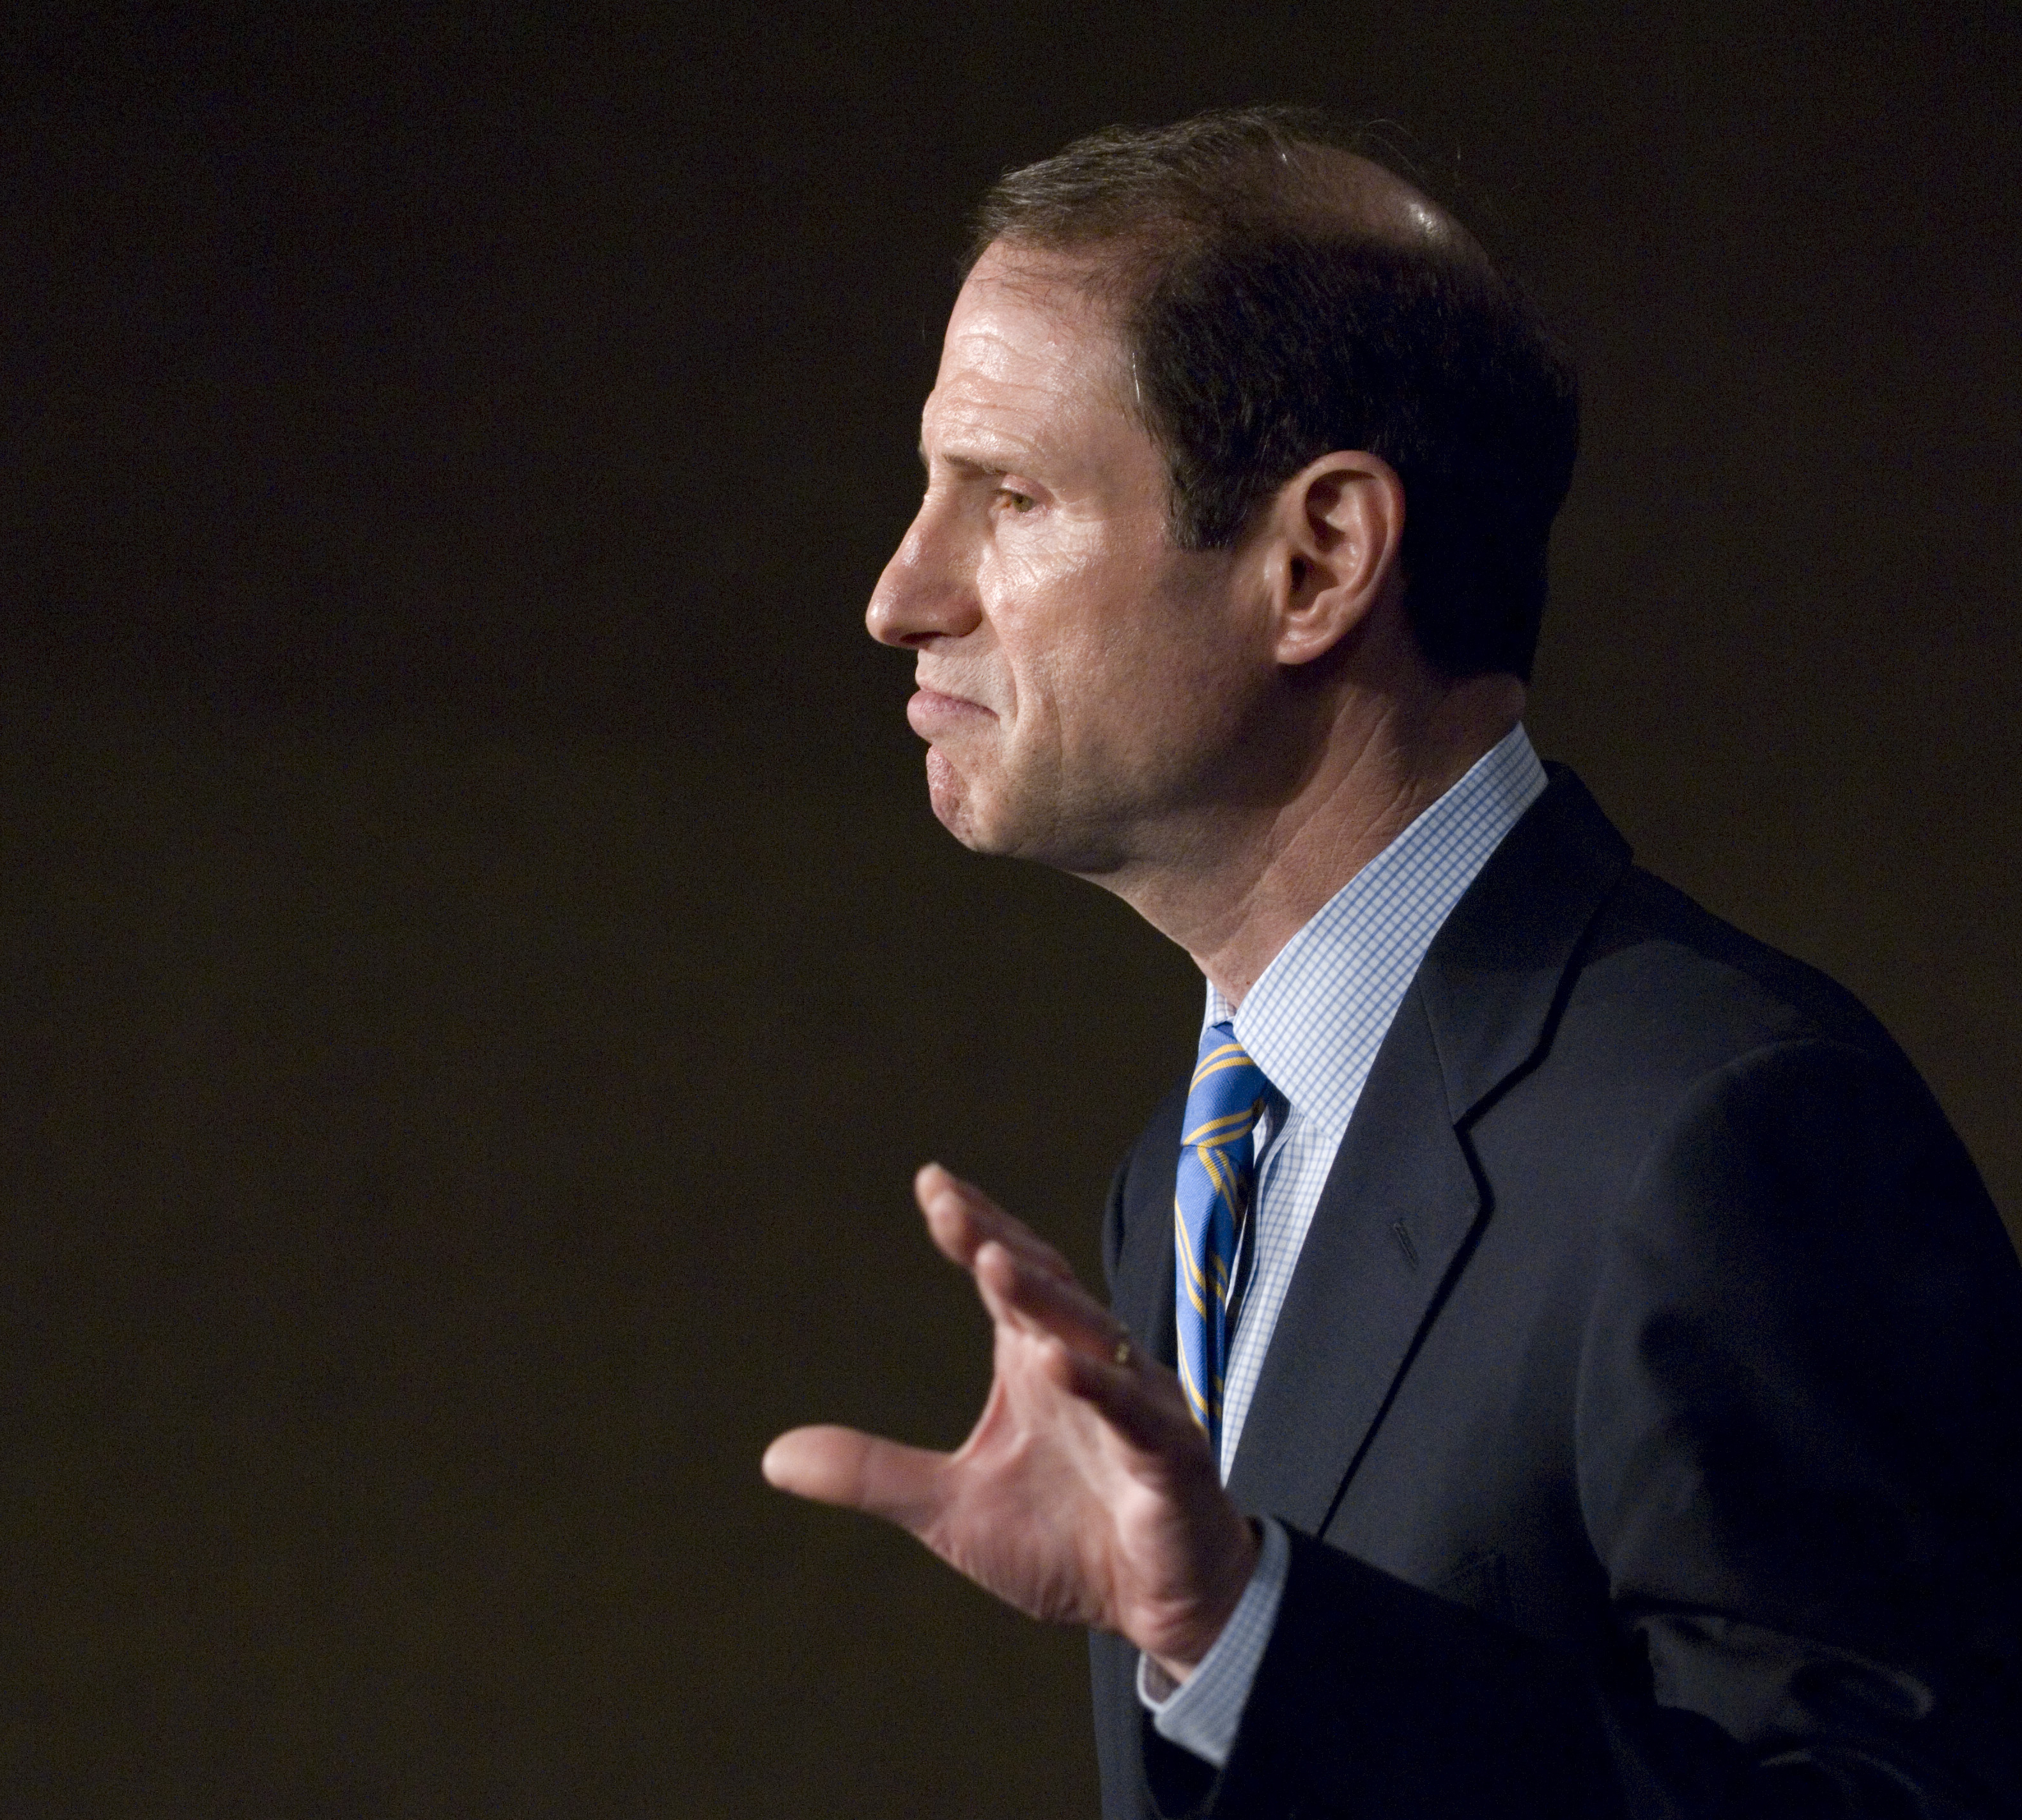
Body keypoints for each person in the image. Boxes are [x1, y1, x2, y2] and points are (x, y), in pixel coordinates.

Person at [761, 109, 2022, 1817]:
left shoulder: (1729, 1129)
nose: (902, 594)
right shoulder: (1180, 1188)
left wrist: (1257, 1631)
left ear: (1319, 560)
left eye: (1010, 497)